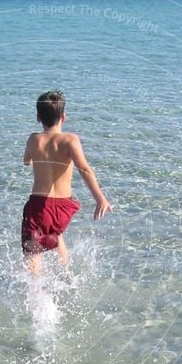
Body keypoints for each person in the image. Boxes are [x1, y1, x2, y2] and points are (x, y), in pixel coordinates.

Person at [21, 90, 113, 275]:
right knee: (56, 234)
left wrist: (35, 158)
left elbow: (26, 161)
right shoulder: (71, 140)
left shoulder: (34, 139)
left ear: (38, 117)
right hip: (63, 206)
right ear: (64, 117)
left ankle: (36, 292)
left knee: (33, 249)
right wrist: (100, 199)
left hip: (40, 204)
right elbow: (85, 170)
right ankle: (66, 274)